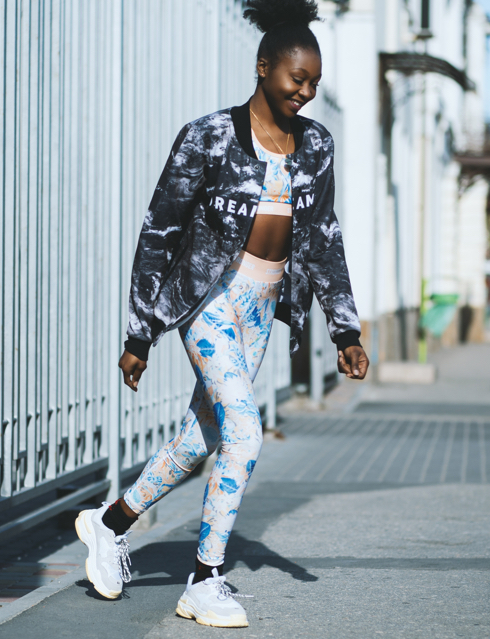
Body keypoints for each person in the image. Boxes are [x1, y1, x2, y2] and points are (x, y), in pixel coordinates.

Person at [74, 0, 369, 628]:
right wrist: (141, 333)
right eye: (297, 78)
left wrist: (345, 327)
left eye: (314, 83)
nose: (306, 92)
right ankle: (205, 580)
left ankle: (109, 524)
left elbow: (323, 237)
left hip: (262, 305)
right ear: (264, 67)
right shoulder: (207, 136)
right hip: (207, 300)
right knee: (244, 431)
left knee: (200, 439)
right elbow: (159, 233)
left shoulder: (317, 145)